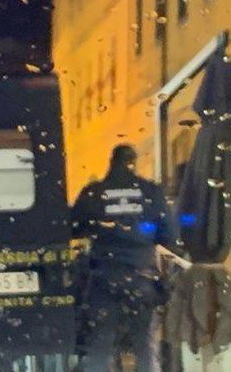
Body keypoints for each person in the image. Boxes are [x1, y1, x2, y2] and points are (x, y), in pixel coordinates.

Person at [71, 144, 180, 372]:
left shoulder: (94, 192)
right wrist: (144, 237)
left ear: (111, 162)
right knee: (143, 344)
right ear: (133, 163)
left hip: (103, 279)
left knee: (99, 345)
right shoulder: (150, 192)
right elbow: (170, 235)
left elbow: (73, 227)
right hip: (141, 278)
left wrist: (99, 229)